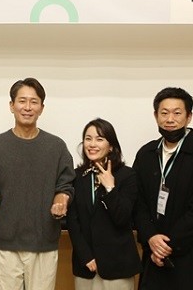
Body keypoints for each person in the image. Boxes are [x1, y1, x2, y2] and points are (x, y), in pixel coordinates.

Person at [0, 78, 75, 290]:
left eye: (34, 102)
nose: (27, 107)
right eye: (22, 101)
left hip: (44, 242)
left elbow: (66, 184)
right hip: (6, 243)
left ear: (42, 108)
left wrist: (62, 199)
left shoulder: (56, 146)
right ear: (11, 105)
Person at [133, 87, 193, 290]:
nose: (170, 119)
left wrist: (167, 246)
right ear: (156, 116)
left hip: (190, 256)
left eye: (177, 113)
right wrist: (150, 237)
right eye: (164, 113)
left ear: (189, 117)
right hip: (152, 254)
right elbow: (138, 203)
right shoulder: (146, 154)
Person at [66, 118, 141, 290]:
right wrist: (85, 255)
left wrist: (110, 188)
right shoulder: (77, 176)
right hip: (85, 265)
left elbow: (122, 217)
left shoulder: (127, 176)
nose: (92, 144)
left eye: (99, 139)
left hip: (117, 265)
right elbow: (73, 221)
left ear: (111, 146)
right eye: (88, 138)